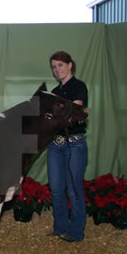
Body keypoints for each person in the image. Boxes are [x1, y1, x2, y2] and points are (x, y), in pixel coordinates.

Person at [47, 51, 88, 243]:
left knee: (73, 189)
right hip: (55, 144)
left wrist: (67, 111)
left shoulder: (79, 86)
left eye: (60, 65)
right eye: (54, 67)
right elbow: (59, 116)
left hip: (75, 144)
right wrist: (71, 110)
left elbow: (73, 111)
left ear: (70, 65)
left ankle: (76, 231)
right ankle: (60, 227)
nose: (57, 70)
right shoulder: (55, 92)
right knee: (56, 188)